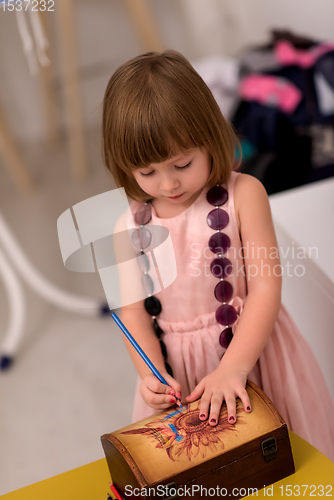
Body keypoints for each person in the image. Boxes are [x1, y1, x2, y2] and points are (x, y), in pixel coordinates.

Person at [102, 50, 334, 461]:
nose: (168, 182)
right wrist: (150, 375)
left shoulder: (244, 195)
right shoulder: (128, 226)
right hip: (182, 372)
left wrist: (234, 368)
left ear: (210, 138)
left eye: (182, 163)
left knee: (281, 460)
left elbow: (265, 288)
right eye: (147, 172)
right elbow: (132, 310)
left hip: (255, 358)